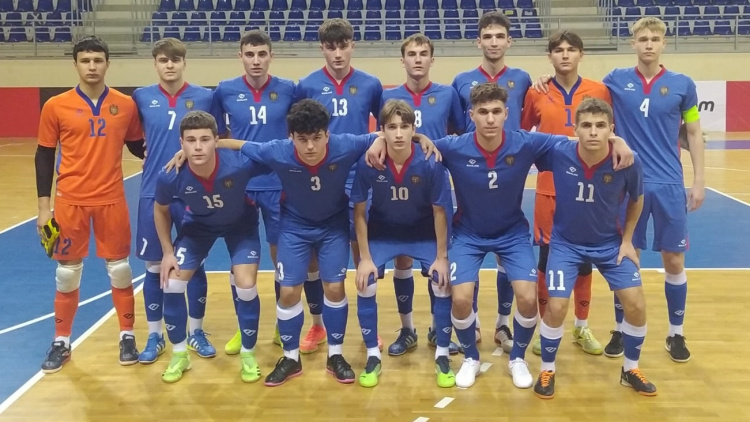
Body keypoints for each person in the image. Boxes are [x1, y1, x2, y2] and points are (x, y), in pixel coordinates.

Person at [386, 83, 632, 390]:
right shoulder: (453, 146)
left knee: (528, 298)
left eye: (497, 112)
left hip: (512, 233)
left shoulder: (526, 143)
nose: (490, 119)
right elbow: (411, 143)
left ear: (507, 115)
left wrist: (615, 138)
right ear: (471, 114)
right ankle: (471, 358)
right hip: (468, 233)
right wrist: (382, 142)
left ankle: (518, 357)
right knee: (460, 299)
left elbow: (580, 141)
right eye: (484, 112)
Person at [217, 99, 435, 387]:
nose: (310, 147)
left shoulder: (345, 145)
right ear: (290, 137)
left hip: (333, 226)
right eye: (303, 139)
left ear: (327, 135)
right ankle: (291, 358)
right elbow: (241, 144)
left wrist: (421, 137)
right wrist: (201, 148)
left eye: (317, 138)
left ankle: (335, 354)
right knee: (289, 291)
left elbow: (390, 134)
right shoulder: (277, 151)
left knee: (334, 287)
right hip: (294, 228)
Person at [531, 98, 656, 398]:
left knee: (636, 304)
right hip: (565, 244)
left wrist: (627, 241)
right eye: (586, 125)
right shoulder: (559, 152)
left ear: (611, 130)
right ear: (575, 129)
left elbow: (637, 199)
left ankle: (631, 368)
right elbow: (519, 142)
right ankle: (547, 369)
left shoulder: (628, 160)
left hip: (610, 244)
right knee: (557, 307)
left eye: (601, 126)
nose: (593, 132)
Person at [35, 36, 144, 373]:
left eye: (98, 60)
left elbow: (138, 147)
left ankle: (127, 335)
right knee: (66, 274)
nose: (92, 66)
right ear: (76, 64)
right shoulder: (56, 105)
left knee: (121, 269)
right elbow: (44, 155)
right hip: (70, 202)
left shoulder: (126, 105)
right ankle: (61, 341)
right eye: (86, 61)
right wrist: (43, 209)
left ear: (107, 63)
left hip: (111, 198)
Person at [601, 17, 705, 362]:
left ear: (664, 43)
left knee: (673, 259)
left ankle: (676, 333)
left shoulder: (682, 85)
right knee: (624, 257)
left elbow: (692, 134)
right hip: (626, 184)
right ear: (633, 43)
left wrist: (699, 181)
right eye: (643, 38)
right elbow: (589, 100)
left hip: (669, 184)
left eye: (655, 38)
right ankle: (619, 327)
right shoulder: (615, 80)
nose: (648, 44)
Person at [154, 111, 269, 383]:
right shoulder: (170, 176)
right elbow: (160, 211)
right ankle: (180, 355)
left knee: (246, 285)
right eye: (190, 140)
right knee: (171, 283)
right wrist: (168, 253)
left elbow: (274, 157)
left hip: (240, 226)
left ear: (216, 140)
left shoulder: (239, 165)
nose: (197, 146)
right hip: (198, 229)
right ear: (180, 143)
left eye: (205, 139)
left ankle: (248, 354)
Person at [294, 18, 385, 353]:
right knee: (314, 258)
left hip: (358, 179)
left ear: (352, 45)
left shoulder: (371, 83)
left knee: (361, 255)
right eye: (330, 46)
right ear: (322, 49)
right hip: (317, 181)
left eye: (343, 45)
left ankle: (367, 328)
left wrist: (379, 143)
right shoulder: (306, 84)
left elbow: (386, 127)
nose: (337, 53)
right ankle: (317, 326)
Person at [132, 37, 224, 364]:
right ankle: (155, 335)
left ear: (185, 62)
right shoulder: (141, 97)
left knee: (191, 263)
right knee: (155, 265)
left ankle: (196, 331)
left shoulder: (204, 96)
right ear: (155, 64)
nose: (169, 65)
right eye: (162, 60)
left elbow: (218, 138)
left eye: (175, 59)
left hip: (191, 189)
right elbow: (132, 138)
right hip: (151, 192)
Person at [520, 30, 611, 357]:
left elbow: (611, 133)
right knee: (546, 260)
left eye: (571, 49)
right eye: (558, 50)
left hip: (588, 190)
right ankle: (546, 327)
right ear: (550, 56)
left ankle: (581, 326)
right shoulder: (536, 92)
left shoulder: (599, 90)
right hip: (549, 189)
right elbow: (522, 135)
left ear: (581, 54)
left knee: (584, 261)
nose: (564, 55)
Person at [352, 99, 453, 388]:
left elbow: (440, 211)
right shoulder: (369, 162)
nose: (398, 134)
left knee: (442, 280)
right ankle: (374, 353)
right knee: (366, 280)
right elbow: (359, 212)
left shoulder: (430, 163)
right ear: (381, 131)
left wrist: (442, 256)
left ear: (414, 129)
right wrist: (365, 258)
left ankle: (442, 353)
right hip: (383, 231)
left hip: (423, 232)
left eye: (405, 127)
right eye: (392, 127)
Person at [451, 11, 533, 350]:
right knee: (469, 260)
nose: (494, 42)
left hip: (509, 169)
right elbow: (457, 128)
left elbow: (527, 126)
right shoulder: (461, 80)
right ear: (479, 41)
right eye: (488, 36)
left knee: (506, 257)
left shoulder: (524, 79)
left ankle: (503, 323)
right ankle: (474, 323)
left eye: (500, 36)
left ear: (509, 41)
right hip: (474, 173)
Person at [379, 33, 464, 357]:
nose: (417, 59)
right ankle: (407, 329)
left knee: (437, 266)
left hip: (435, 189)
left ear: (432, 59)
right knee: (402, 261)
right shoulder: (390, 96)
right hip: (398, 190)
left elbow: (457, 135)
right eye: (411, 54)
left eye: (423, 53)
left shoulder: (447, 94)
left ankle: (436, 328)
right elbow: (382, 134)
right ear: (403, 60)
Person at [213, 29, 296, 354]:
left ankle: (280, 321)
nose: (256, 60)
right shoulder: (225, 91)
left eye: (262, 54)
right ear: (241, 56)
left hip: (279, 185)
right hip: (241, 186)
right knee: (241, 262)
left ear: (270, 55)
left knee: (280, 259)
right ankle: (242, 327)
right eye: (250, 54)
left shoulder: (289, 89)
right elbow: (216, 136)